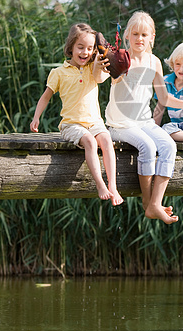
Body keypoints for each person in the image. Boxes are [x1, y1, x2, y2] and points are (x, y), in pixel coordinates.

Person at [105, 12, 183, 225]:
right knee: (148, 147)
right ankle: (147, 201)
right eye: (135, 34)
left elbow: (163, 97)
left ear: (152, 36)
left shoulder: (155, 61)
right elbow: (111, 79)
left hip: (144, 122)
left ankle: (155, 204)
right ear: (127, 36)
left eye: (144, 34)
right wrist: (116, 70)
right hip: (119, 124)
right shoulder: (121, 58)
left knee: (169, 145)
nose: (139, 38)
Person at [30, 23, 123, 207]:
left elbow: (104, 76)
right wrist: (36, 117)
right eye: (80, 47)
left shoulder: (92, 68)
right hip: (71, 125)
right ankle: (100, 184)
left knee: (105, 140)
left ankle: (113, 185)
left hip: (94, 122)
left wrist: (103, 60)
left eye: (90, 48)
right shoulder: (58, 72)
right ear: (70, 47)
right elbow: (45, 97)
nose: (85, 52)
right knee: (90, 141)